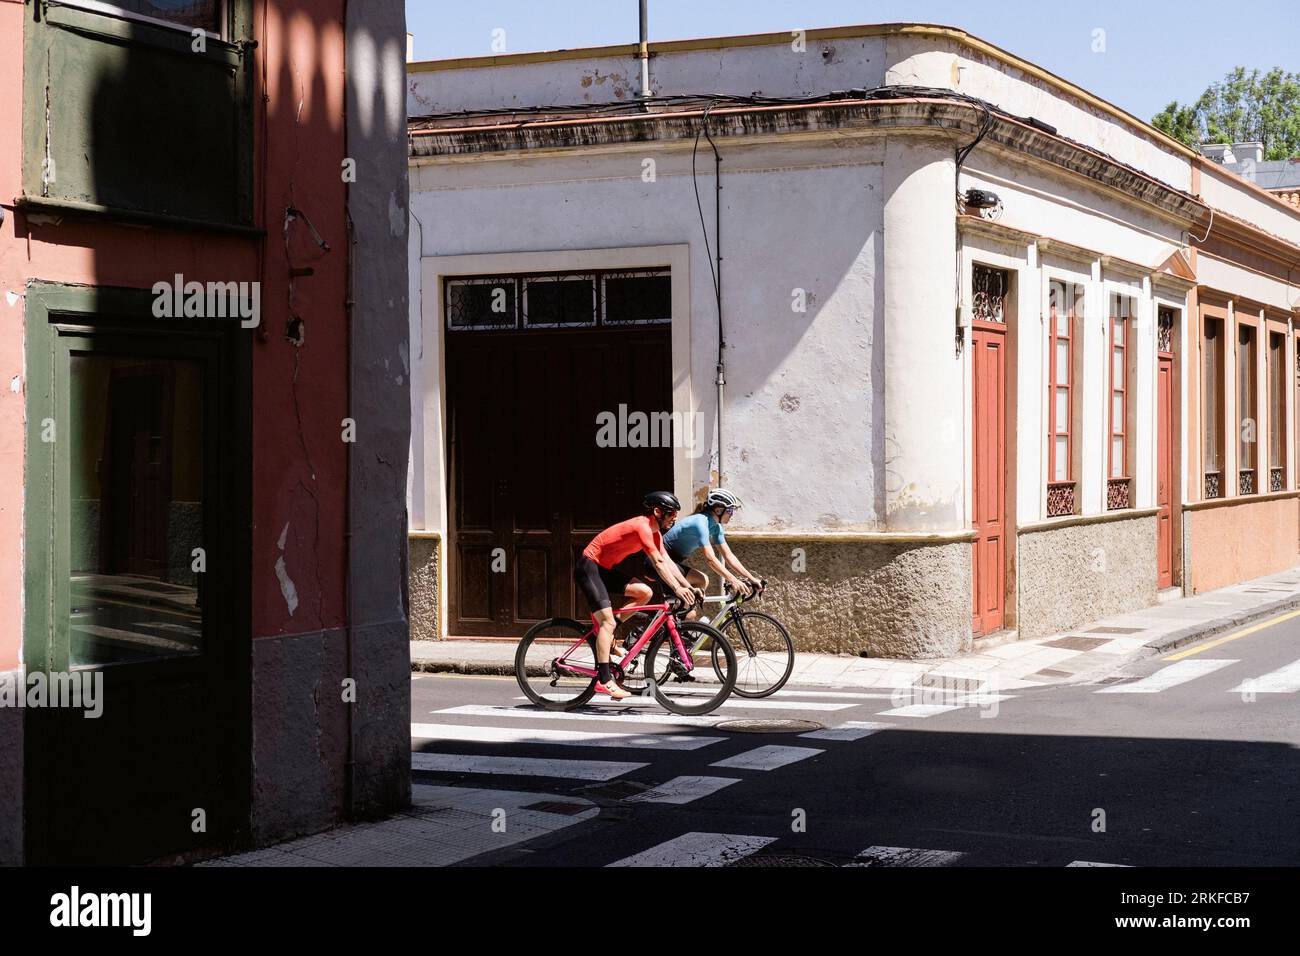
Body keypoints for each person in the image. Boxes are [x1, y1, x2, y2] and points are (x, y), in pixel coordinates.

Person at [574, 491, 698, 700]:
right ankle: (604, 681)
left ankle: (612, 626)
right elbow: (657, 563)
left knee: (644, 592)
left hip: (603, 569)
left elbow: (667, 561)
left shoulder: (654, 531)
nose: (674, 518)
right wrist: (677, 589)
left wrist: (688, 586)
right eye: (671, 514)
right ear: (658, 512)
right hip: (589, 567)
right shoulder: (642, 526)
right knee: (606, 624)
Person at [655, 488, 763, 604]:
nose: (732, 515)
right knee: (702, 580)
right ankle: (677, 620)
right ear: (718, 510)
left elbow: (729, 556)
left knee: (690, 612)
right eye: (730, 511)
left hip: (672, 564)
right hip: (658, 562)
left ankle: (678, 621)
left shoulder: (716, 527)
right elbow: (710, 559)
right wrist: (732, 579)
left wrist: (752, 579)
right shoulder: (700, 523)